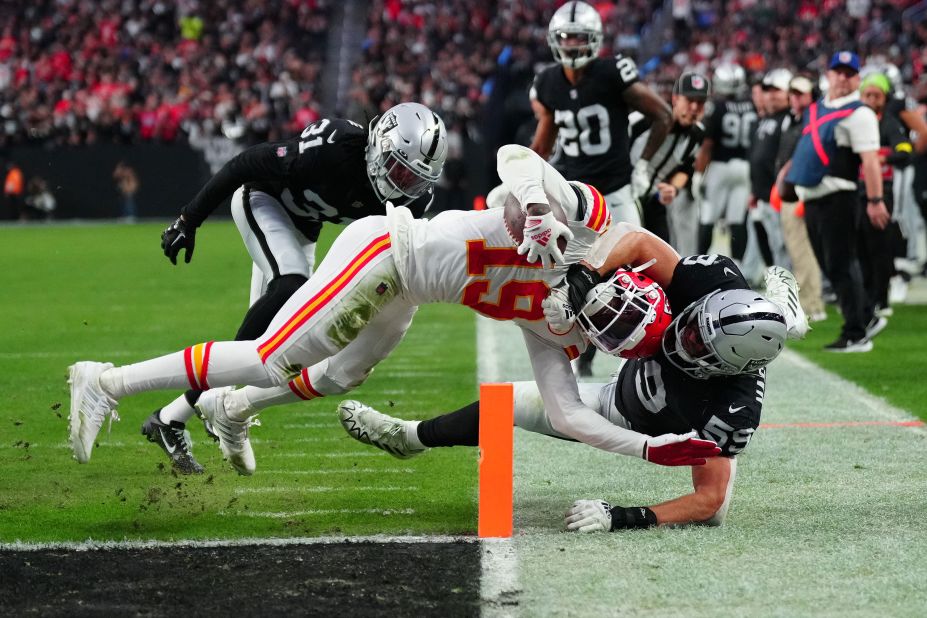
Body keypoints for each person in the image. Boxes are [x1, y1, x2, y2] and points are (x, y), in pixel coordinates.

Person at [68, 144, 719, 476]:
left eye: (606, 333)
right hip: (387, 252)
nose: (597, 322)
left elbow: (567, 414)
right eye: (610, 311)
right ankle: (105, 381)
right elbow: (514, 161)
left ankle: (231, 410)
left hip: (408, 291)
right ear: (623, 282)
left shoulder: (561, 334)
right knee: (272, 358)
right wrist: (540, 209)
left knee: (339, 376)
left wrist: (646, 450)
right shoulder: (588, 226)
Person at [337, 224, 806, 530]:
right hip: (628, 382)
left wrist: (625, 516)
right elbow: (638, 240)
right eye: (693, 326)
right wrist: (586, 277)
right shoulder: (713, 282)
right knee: (510, 402)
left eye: (700, 348)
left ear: (727, 367)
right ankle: (410, 437)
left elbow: (707, 499)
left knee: (716, 512)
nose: (684, 339)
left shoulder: (733, 407)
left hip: (642, 418)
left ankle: (788, 315)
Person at [142, 102, 447, 474]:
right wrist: (188, 219)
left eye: (414, 178)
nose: (403, 184)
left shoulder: (409, 200)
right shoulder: (333, 150)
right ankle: (209, 404)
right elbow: (245, 163)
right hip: (262, 199)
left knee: (267, 344)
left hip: (303, 228)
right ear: (379, 145)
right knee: (290, 290)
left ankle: (171, 418)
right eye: (398, 168)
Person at [528, 0, 673, 377]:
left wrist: (645, 166)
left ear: (594, 40)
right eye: (566, 38)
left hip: (617, 190)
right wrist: (522, 182)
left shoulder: (613, 72)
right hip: (575, 198)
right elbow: (542, 144)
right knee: (574, 278)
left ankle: (664, 352)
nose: (573, 46)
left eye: (580, 38)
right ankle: (586, 357)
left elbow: (663, 114)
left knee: (643, 272)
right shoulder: (547, 82)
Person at [784, 51, 890, 352]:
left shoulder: (861, 113)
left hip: (839, 197)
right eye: (838, 71)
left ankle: (856, 333)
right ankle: (865, 316)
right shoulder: (817, 109)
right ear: (829, 75)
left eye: (849, 72)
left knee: (841, 264)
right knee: (832, 265)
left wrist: (875, 200)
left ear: (857, 78)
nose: (843, 77)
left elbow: (869, 162)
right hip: (815, 198)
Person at [628, 72, 709, 250]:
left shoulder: (697, 134)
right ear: (675, 99)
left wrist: (673, 188)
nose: (694, 107)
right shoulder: (642, 121)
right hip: (624, 195)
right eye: (689, 100)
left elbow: (686, 168)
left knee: (663, 257)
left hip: (653, 201)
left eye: (700, 102)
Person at [857, 72, 913, 316]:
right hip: (856, 191)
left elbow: (905, 149)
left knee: (878, 246)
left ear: (884, 98)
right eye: (867, 94)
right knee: (860, 247)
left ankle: (881, 298)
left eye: (876, 95)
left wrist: (884, 155)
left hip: (882, 192)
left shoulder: (888, 122)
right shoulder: (855, 120)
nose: (871, 99)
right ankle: (867, 296)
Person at [775, 75, 827, 322]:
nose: (795, 98)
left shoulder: (811, 122)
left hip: (800, 192)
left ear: (812, 96)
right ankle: (806, 301)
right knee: (797, 250)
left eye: (801, 94)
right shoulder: (794, 120)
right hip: (790, 192)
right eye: (792, 94)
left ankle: (811, 305)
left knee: (803, 250)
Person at [694, 64, 757, 263]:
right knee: (737, 220)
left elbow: (707, 144)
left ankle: (700, 263)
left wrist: (698, 174)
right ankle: (737, 265)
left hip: (719, 167)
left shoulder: (717, 106)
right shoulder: (751, 105)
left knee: (707, 217)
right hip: (745, 167)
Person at [748, 68, 793, 271]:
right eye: (768, 91)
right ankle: (781, 286)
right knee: (775, 244)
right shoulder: (766, 119)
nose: (771, 95)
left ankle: (791, 288)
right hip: (764, 194)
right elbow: (757, 158)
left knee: (785, 245)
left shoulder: (788, 119)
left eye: (777, 91)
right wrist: (755, 191)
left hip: (779, 195)